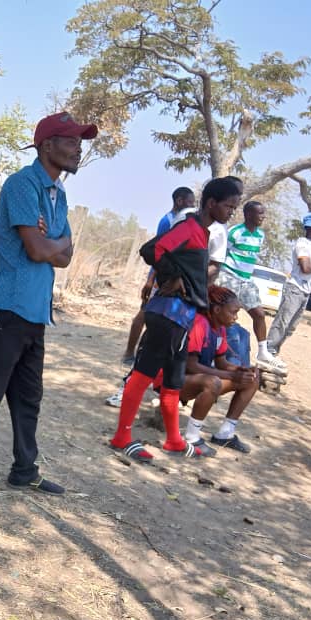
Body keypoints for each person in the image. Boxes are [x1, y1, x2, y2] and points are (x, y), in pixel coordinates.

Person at [0, 111, 97, 501]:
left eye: (80, 142)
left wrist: (50, 245)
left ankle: (24, 470)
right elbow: (39, 250)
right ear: (47, 145)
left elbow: (66, 255)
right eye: (71, 141)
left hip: (35, 312)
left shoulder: (58, 194)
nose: (78, 149)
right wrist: (50, 245)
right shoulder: (22, 184)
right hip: (9, 308)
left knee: (28, 397)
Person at [109, 176, 242, 462]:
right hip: (168, 314)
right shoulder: (189, 227)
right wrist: (172, 276)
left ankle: (173, 440)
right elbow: (151, 250)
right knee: (142, 375)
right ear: (211, 203)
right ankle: (122, 437)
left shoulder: (203, 233)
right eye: (229, 206)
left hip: (183, 318)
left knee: (173, 381)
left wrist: (182, 276)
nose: (232, 212)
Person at [178, 286, 259, 455]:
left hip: (195, 379)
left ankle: (225, 433)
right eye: (233, 312)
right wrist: (230, 375)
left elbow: (221, 362)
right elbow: (190, 365)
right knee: (212, 382)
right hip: (176, 380)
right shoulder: (199, 324)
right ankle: (192, 438)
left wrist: (240, 369)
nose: (236, 317)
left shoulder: (220, 328)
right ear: (216, 309)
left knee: (253, 377)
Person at [121, 187, 196, 365]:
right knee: (144, 313)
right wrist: (150, 280)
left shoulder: (183, 221)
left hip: (169, 276)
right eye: (190, 202)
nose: (192, 206)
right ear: (179, 201)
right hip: (159, 277)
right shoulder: (168, 221)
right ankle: (129, 353)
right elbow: (159, 251)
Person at [213, 201, 287, 373]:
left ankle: (263, 351)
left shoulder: (260, 235)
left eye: (263, 213)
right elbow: (221, 255)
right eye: (259, 213)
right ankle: (217, 349)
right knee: (225, 316)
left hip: (246, 281)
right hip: (229, 277)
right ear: (248, 215)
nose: (263, 217)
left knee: (259, 314)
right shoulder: (235, 232)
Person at [266, 211, 311, 358]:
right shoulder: (302, 243)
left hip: (306, 291)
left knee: (291, 327)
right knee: (282, 322)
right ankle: (268, 351)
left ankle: (274, 353)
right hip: (294, 288)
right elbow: (305, 268)